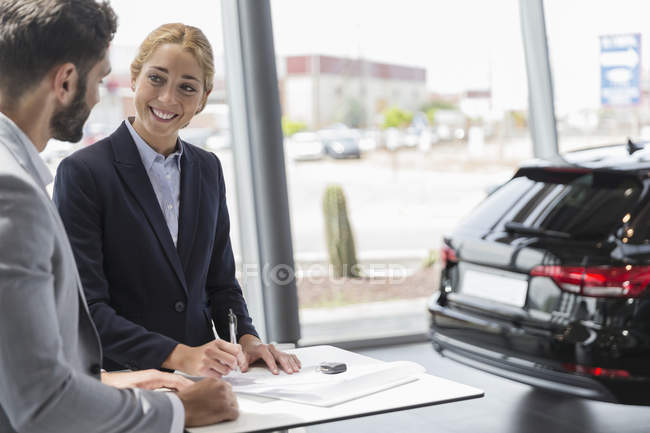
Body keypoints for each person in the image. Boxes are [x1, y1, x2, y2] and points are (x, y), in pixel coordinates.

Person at [0, 1, 238, 431]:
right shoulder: (14, 189)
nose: (98, 95)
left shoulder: (206, 167)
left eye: (187, 87)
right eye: (99, 78)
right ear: (67, 81)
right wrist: (178, 409)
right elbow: (41, 400)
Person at [53, 23, 301, 378]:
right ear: (134, 78)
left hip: (204, 377)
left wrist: (248, 338)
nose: (169, 98)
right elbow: (87, 307)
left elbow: (221, 282)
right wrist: (178, 355)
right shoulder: (84, 172)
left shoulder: (207, 168)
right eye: (157, 79)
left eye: (187, 87)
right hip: (124, 380)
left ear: (203, 98)